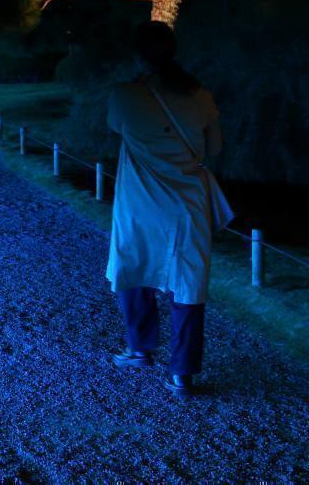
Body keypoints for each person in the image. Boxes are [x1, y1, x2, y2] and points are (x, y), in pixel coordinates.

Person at [106, 20, 229, 398]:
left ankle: (140, 348)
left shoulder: (124, 95)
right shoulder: (200, 96)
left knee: (132, 270)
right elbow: (213, 149)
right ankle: (182, 374)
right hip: (187, 204)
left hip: (140, 203)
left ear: (138, 55)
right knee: (188, 286)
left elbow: (117, 130)